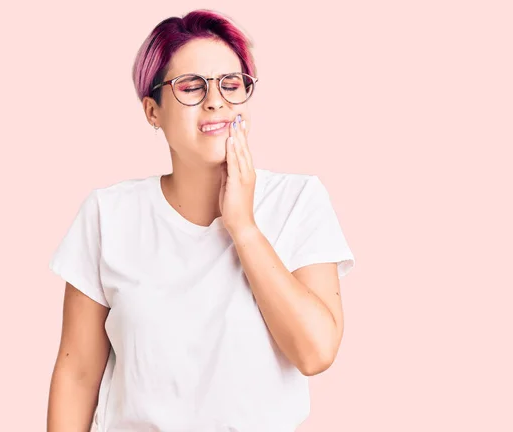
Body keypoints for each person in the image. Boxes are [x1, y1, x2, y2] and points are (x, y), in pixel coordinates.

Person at [46, 9, 355, 432]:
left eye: (231, 84)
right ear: (152, 111)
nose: (215, 100)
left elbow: (316, 352)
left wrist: (243, 228)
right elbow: (78, 375)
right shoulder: (108, 215)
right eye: (190, 87)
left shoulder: (298, 201)